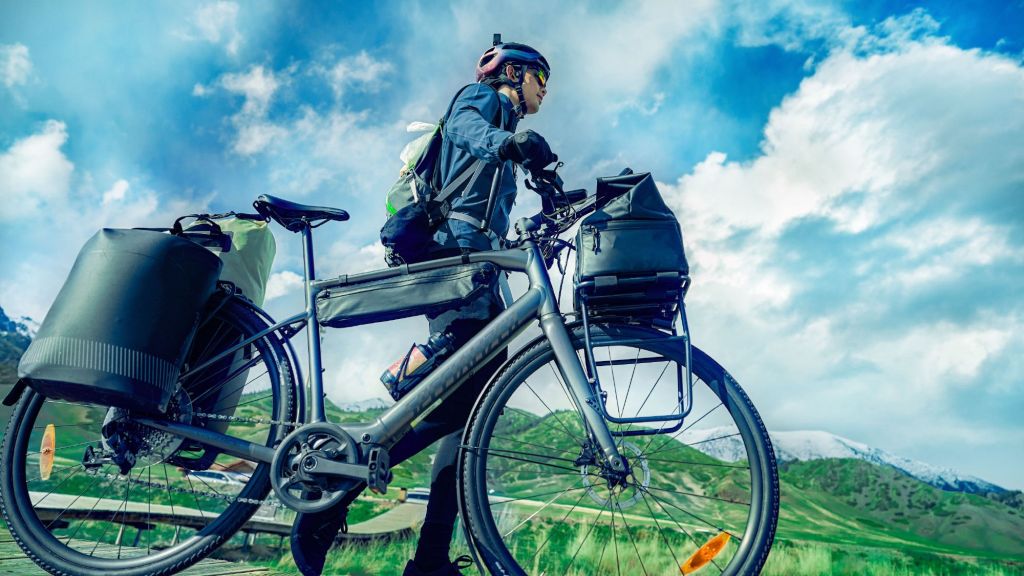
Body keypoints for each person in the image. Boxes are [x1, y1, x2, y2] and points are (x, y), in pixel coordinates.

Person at [289, 38, 557, 576]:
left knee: (467, 414)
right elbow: (463, 129)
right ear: (514, 73)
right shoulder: (484, 101)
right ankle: (340, 480)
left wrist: (548, 190)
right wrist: (508, 144)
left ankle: (431, 556)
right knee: (455, 381)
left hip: (480, 263)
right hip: (455, 258)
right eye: (541, 80)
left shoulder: (506, 128)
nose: (544, 92)